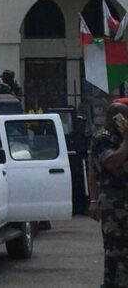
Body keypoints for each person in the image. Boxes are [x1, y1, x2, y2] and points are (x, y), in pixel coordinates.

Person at [91, 102, 128, 287]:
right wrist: (94, 200)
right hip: (115, 204)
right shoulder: (103, 138)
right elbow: (111, 162)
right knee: (116, 252)